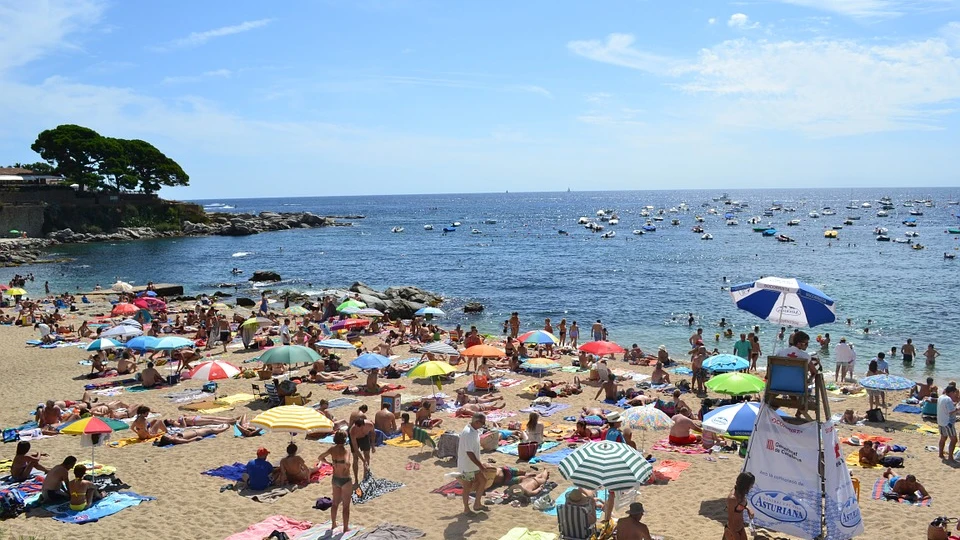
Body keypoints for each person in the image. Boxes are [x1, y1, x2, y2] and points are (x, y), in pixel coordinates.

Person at [319, 431, 353, 532]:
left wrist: (329, 463)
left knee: (335, 503)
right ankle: (345, 528)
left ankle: (333, 524)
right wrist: (346, 468)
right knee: (346, 506)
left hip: (335, 478)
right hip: (345, 479)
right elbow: (347, 463)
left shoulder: (332, 449)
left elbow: (320, 457)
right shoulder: (346, 451)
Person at [457, 412, 491, 513]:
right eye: (482, 423)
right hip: (467, 465)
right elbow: (469, 453)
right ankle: (466, 509)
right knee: (467, 487)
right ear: (476, 422)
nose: (483, 425)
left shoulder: (474, 430)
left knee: (483, 481)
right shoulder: (468, 433)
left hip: (473, 464)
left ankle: (477, 504)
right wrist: (481, 466)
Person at [725, 472, 755, 540]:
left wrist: (748, 508)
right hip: (732, 530)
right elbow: (730, 518)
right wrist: (734, 534)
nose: (752, 487)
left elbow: (740, 506)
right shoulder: (732, 498)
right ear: (745, 484)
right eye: (751, 485)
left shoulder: (741, 492)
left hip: (740, 527)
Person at [349, 417, 375, 483]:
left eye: (359, 427)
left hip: (365, 437)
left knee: (367, 456)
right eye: (356, 427)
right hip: (356, 439)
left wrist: (373, 445)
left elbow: (373, 433)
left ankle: (365, 477)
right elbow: (356, 449)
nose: (357, 429)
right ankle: (356, 479)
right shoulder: (353, 431)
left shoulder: (369, 425)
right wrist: (363, 460)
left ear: (363, 425)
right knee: (355, 458)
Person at [937, 385, 959, 461]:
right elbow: (951, 411)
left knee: (943, 438)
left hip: (940, 421)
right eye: (954, 393)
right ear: (952, 392)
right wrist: (958, 409)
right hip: (948, 423)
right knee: (954, 440)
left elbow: (946, 408)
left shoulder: (941, 397)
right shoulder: (948, 399)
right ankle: (950, 457)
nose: (955, 394)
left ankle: (940, 454)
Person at [157, 425, 230, 445]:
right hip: (196, 433)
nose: (168, 435)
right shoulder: (175, 439)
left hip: (195, 431)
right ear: (168, 439)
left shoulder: (173, 438)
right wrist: (195, 438)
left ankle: (221, 428)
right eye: (167, 436)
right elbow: (186, 441)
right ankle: (224, 428)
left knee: (210, 429)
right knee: (211, 430)